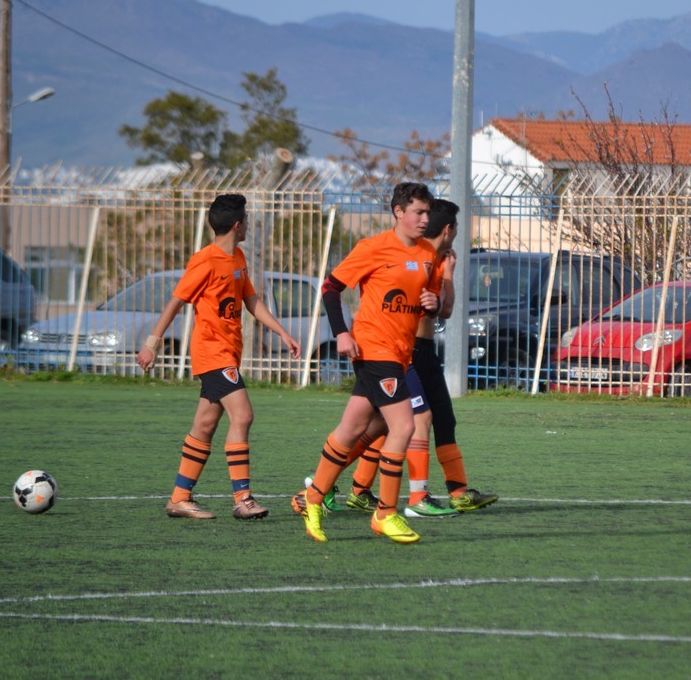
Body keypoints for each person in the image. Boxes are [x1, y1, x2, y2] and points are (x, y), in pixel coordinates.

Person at [137, 193, 301, 520]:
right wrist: (151, 344)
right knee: (243, 416)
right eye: (247, 220)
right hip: (213, 352)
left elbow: (250, 299)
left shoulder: (237, 257)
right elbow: (176, 302)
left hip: (229, 353)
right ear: (238, 225)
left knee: (205, 424)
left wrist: (281, 331)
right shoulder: (205, 260)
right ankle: (243, 499)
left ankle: (179, 498)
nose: (248, 226)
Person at [294, 182, 441, 543]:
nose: (425, 219)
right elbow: (330, 288)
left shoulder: (427, 253)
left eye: (428, 212)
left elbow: (424, 300)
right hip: (375, 349)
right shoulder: (372, 248)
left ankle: (313, 498)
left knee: (354, 428)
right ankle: (385, 514)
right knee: (403, 427)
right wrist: (342, 333)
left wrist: (432, 303)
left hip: (400, 353)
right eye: (418, 212)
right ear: (398, 212)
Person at [341, 198, 499, 518]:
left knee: (440, 420)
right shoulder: (415, 257)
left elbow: (445, 310)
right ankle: (412, 497)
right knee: (408, 421)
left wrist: (448, 275)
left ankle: (458, 492)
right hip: (402, 352)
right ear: (449, 229)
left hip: (425, 353)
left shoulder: (438, 260)